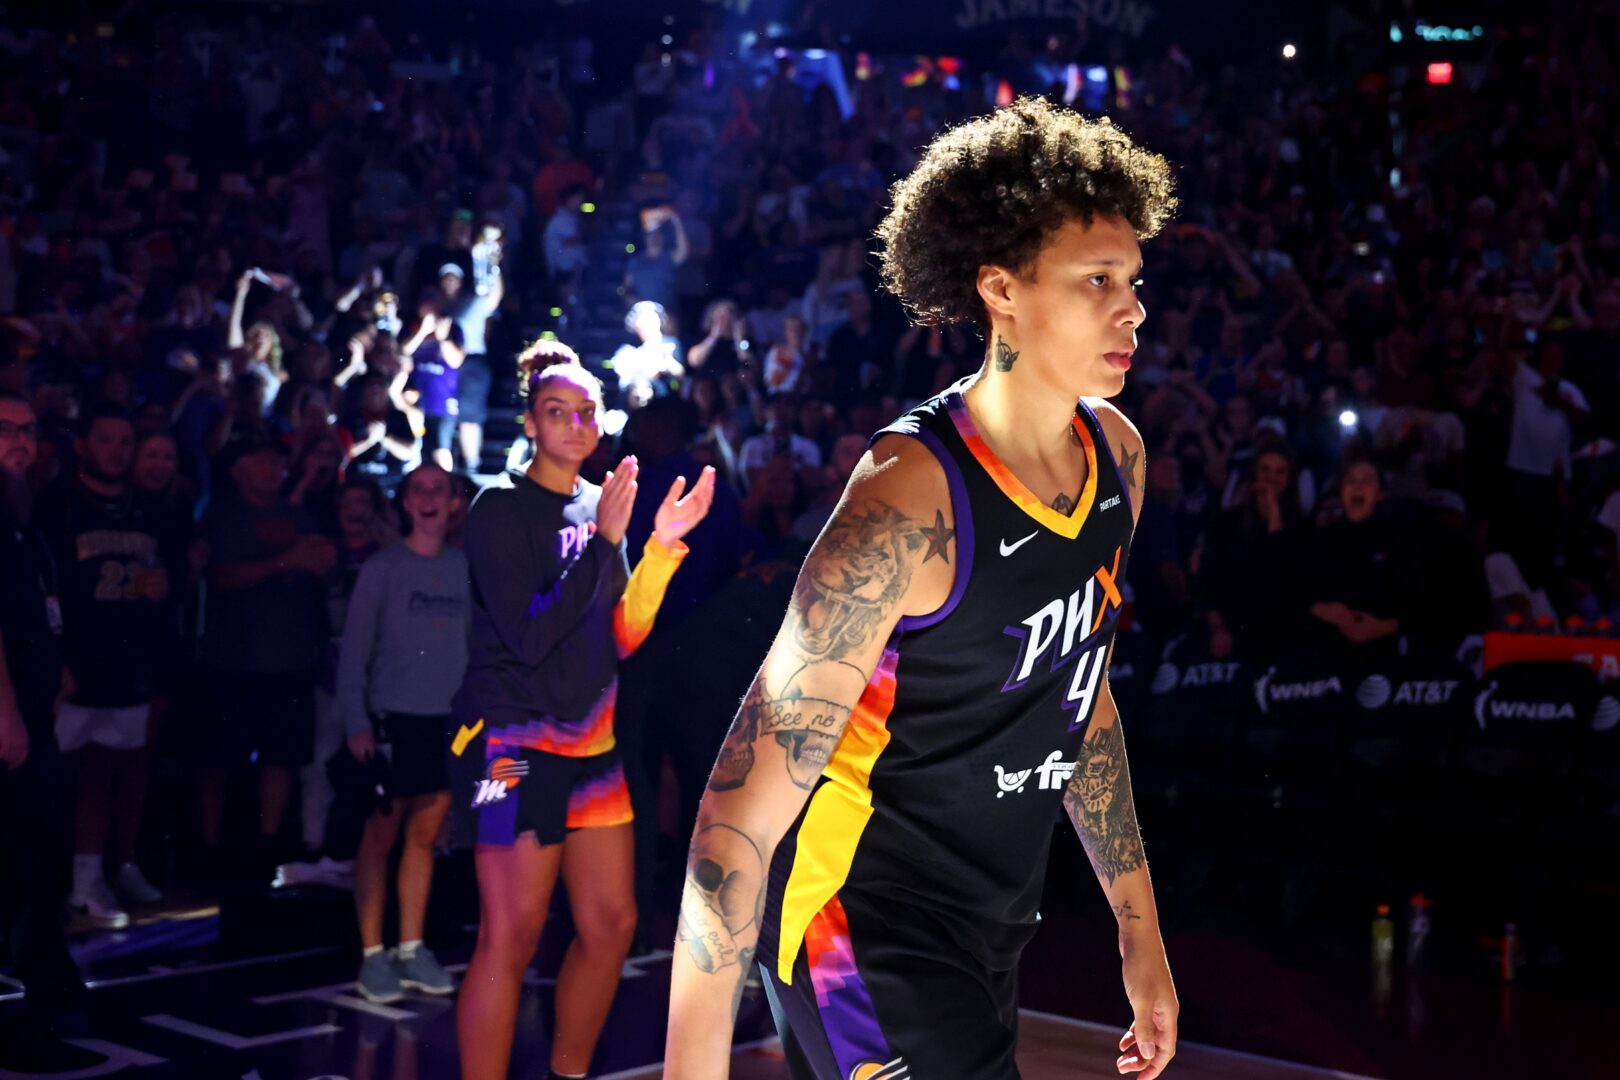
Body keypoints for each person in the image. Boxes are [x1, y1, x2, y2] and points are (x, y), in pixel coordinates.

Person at [666, 98, 1181, 1080]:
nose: (1133, 307)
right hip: (852, 929)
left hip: (986, 930)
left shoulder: (1119, 458)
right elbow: (736, 812)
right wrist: (693, 1068)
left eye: (1135, 280)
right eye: (1098, 280)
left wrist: (1138, 935)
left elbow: (1083, 701)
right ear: (1002, 290)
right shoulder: (908, 495)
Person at [453, 340, 715, 1080]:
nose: (573, 423)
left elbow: (624, 634)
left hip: (593, 751)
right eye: (555, 411)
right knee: (512, 933)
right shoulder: (498, 509)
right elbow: (531, 635)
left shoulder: (602, 507)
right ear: (530, 423)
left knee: (611, 926)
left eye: (585, 412)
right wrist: (604, 542)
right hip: (510, 751)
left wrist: (658, 547)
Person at [38, 405, 177, 928]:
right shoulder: (58, 503)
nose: (116, 451)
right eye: (106, 440)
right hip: (69, 664)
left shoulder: (147, 507)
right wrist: (53, 658)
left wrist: (162, 587)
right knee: (46, 776)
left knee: (104, 773)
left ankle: (85, 882)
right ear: (83, 445)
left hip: (125, 662)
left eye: (125, 442)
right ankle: (37, 882)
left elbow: (160, 576)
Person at [338, 463, 469, 1002]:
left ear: (454, 502)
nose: (430, 497)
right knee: (380, 838)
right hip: (392, 722)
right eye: (419, 488)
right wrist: (357, 722)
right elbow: (353, 652)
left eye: (440, 488)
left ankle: (411, 947)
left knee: (424, 837)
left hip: (444, 724)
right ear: (405, 503)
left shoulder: (464, 568)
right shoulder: (382, 568)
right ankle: (373, 955)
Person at [0, 391, 85, 1032]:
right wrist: (6, 712)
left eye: (28, 431)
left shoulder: (23, 511)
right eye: (6, 430)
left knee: (37, 837)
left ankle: (37, 964)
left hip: (31, 700)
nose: (20, 442)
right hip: (9, 713)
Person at [445, 236, 506, 475]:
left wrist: (495, 265)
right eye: (446, 279)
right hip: (445, 366)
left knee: (469, 418)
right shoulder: (439, 306)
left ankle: (471, 468)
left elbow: (495, 296)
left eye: (454, 278)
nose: (450, 282)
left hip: (472, 363)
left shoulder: (471, 301)